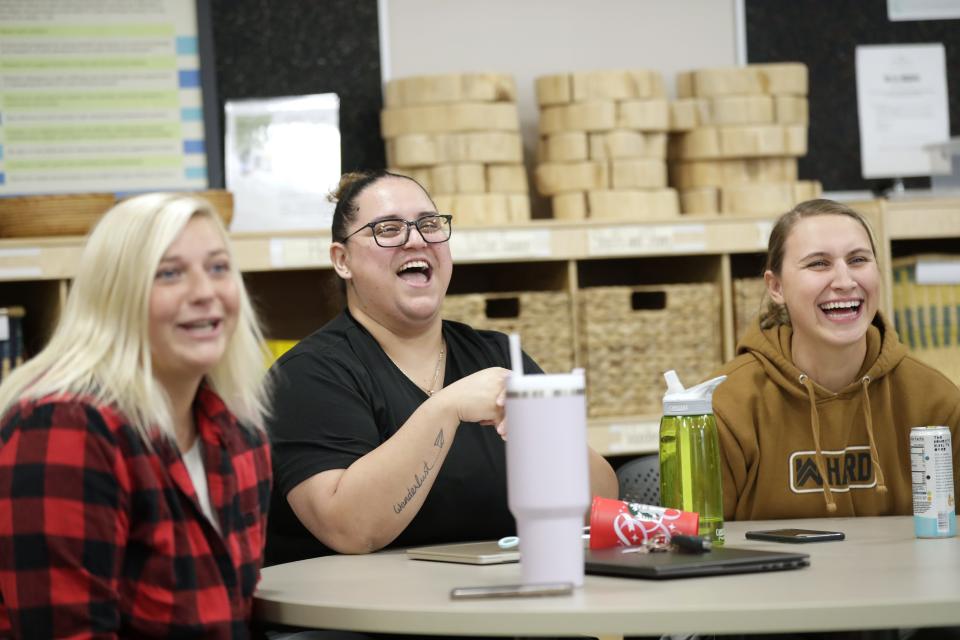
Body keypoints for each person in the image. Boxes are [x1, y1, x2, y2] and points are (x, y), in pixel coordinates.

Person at [266, 170, 618, 564]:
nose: (416, 239)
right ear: (342, 259)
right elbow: (350, 529)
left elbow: (599, 507)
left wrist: (547, 431)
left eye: (429, 224)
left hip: (507, 607)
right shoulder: (308, 375)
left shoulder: (497, 355)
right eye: (388, 228)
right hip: (371, 619)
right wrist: (445, 408)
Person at [0, 194, 273, 638]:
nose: (205, 292)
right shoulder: (63, 427)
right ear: (115, 297)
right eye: (169, 274)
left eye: (218, 267)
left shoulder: (239, 431)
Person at [713, 198, 960, 520]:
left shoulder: (935, 401)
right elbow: (695, 548)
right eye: (818, 264)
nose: (844, 281)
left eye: (858, 260)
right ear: (776, 287)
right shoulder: (724, 407)